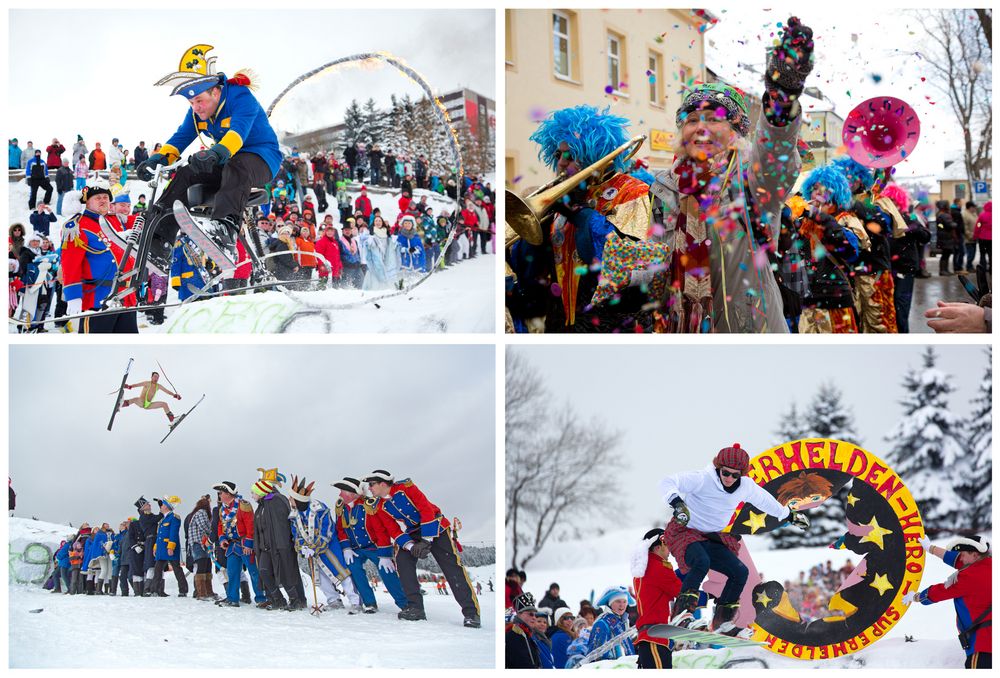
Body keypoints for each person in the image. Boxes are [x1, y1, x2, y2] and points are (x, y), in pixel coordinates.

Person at [135, 61, 282, 275]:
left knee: (237, 164)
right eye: (191, 102)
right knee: (188, 172)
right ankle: (159, 241)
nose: (196, 107)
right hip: (227, 160)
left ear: (215, 92)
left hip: (261, 158)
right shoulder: (197, 113)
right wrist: (157, 160)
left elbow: (237, 134)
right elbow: (181, 137)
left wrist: (215, 153)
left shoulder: (240, 97)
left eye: (199, 101)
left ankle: (225, 231)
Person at [659, 443, 809, 635]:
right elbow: (667, 481)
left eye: (735, 475)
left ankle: (723, 621)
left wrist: (789, 515)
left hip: (712, 537)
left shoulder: (746, 487)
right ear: (718, 468)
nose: (729, 478)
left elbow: (766, 501)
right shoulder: (703, 479)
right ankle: (682, 614)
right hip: (685, 531)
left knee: (739, 572)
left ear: (742, 474)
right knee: (701, 562)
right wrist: (677, 503)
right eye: (725, 473)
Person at [364, 469, 481, 627]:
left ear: (383, 484)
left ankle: (471, 613)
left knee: (452, 569)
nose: (369, 488)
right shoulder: (380, 506)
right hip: (413, 533)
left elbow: (426, 510)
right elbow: (394, 530)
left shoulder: (407, 488)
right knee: (403, 562)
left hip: (435, 527)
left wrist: (426, 540)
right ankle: (416, 608)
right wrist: (411, 546)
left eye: (372, 484)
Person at [903, 535, 991, 669]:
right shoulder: (987, 565)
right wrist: (930, 548)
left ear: (975, 555)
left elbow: (941, 591)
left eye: (963, 554)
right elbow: (956, 560)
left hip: (984, 646)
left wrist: (917, 597)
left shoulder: (971, 576)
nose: (960, 557)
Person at [793, 164, 862, 333]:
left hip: (835, 302)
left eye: (824, 189)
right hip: (809, 303)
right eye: (815, 188)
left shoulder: (844, 219)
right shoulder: (804, 223)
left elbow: (850, 252)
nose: (818, 193)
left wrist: (819, 216)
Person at [59, 185, 139, 333]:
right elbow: (70, 265)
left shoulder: (115, 221)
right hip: (97, 298)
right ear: (87, 202)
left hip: (125, 297)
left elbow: (141, 221)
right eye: (98, 198)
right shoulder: (77, 226)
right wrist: (73, 295)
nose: (103, 201)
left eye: (106, 198)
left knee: (127, 348)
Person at [333, 476, 407, 612]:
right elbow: (340, 529)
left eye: (342, 491)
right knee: (354, 569)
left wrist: (385, 555)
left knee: (387, 571)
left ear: (351, 492)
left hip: (374, 546)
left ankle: (405, 604)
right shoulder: (341, 508)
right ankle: (369, 603)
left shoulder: (369, 505)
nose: (339, 494)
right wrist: (346, 548)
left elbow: (380, 530)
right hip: (355, 549)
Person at [287, 476, 360, 613]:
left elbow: (327, 530)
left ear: (297, 499)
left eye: (291, 498)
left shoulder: (318, 508)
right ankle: (333, 600)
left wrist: (315, 547)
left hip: (328, 548)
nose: (289, 500)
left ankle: (355, 601)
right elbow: (296, 533)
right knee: (319, 576)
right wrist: (303, 548)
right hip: (311, 551)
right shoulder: (294, 515)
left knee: (341, 571)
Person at [250, 478, 307, 611]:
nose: (252, 495)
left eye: (253, 492)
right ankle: (278, 599)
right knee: (264, 572)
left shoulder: (277, 500)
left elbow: (283, 524)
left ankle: (295, 600)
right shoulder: (261, 507)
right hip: (265, 547)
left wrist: (283, 544)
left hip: (280, 545)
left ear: (261, 491)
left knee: (286, 572)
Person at [632, 528, 682, 669]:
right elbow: (681, 591)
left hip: (650, 636)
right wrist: (711, 595)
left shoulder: (646, 567)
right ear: (658, 547)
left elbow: (667, 583)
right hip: (655, 637)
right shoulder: (659, 567)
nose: (670, 550)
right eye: (667, 545)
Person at [883, 184, 930, 333]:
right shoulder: (881, 220)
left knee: (901, 307)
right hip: (885, 269)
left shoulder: (908, 219)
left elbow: (925, 237)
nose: (892, 205)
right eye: (888, 201)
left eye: (894, 201)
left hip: (905, 268)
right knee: (887, 308)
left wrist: (912, 227)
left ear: (899, 203)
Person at [214, 481, 266, 607]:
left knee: (254, 571)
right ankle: (233, 598)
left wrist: (249, 544)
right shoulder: (223, 509)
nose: (219, 496)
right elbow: (220, 525)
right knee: (232, 572)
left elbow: (251, 526)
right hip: (232, 546)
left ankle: (262, 598)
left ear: (228, 493)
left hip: (245, 544)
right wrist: (222, 539)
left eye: (221, 493)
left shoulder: (243, 506)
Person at [150, 496, 189, 597]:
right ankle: (155, 590)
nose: (161, 506)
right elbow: (159, 535)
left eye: (162, 504)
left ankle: (183, 590)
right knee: (158, 569)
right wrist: (155, 547)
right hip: (161, 549)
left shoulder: (174, 518)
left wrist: (171, 547)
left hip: (169, 548)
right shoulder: (163, 520)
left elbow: (173, 533)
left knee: (177, 569)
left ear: (167, 506)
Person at [587, 586, 636, 661]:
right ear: (610, 603)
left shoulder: (624, 622)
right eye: (618, 601)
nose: (622, 605)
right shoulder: (602, 623)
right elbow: (596, 656)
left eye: (624, 601)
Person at [128, 496, 160, 596]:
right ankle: (141, 591)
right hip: (139, 547)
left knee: (149, 567)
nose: (149, 505)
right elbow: (131, 537)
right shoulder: (144, 518)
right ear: (142, 509)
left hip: (146, 546)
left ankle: (151, 589)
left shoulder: (148, 516)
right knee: (138, 570)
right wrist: (134, 546)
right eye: (146, 504)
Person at [186, 496, 216, 600]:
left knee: (207, 566)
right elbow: (204, 526)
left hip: (201, 544)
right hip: (199, 544)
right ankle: (202, 593)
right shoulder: (201, 512)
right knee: (202, 566)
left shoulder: (196, 513)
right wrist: (213, 530)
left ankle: (208, 591)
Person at [506, 592, 543, 668]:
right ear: (519, 614)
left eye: (535, 615)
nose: (534, 617)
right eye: (530, 614)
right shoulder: (514, 635)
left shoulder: (527, 635)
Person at [936, 199, 960, 276]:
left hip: (943, 237)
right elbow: (950, 225)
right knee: (946, 255)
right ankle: (943, 270)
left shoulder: (939, 214)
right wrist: (956, 224)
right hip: (946, 237)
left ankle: (944, 270)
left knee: (945, 254)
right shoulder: (944, 215)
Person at [314, 223, 342, 289]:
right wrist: (321, 266)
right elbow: (319, 256)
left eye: (331, 231)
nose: (330, 232)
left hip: (335, 271)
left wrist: (340, 267)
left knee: (335, 290)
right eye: (328, 231)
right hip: (325, 270)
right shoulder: (321, 242)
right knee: (322, 288)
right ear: (325, 232)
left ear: (334, 232)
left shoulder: (335, 242)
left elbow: (337, 256)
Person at [339, 221, 364, 288]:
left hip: (357, 267)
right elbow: (339, 255)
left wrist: (359, 263)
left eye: (349, 230)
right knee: (345, 287)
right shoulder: (340, 242)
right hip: (347, 267)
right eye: (346, 230)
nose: (347, 231)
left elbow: (358, 253)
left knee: (360, 285)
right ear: (343, 231)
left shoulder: (354, 240)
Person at [974, 201, 991, 272]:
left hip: (983, 238)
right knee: (991, 254)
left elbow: (978, 226)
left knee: (982, 253)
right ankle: (991, 268)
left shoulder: (982, 215)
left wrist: (976, 235)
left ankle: (982, 268)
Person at [963, 201, 979, 272]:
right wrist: (970, 235)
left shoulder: (974, 214)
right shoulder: (965, 215)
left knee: (973, 253)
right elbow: (965, 227)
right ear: (970, 207)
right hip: (968, 238)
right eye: (974, 207)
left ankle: (970, 266)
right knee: (971, 253)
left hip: (974, 237)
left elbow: (978, 223)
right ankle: (968, 267)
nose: (975, 208)